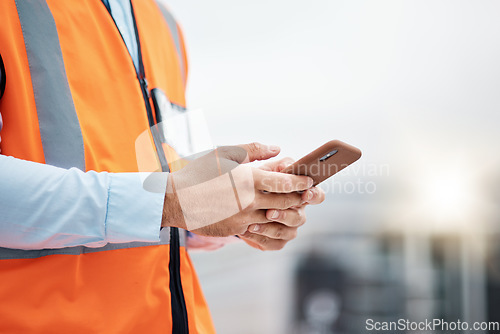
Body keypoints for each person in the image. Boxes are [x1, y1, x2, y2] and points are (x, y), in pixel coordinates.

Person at [0, 0, 325, 333]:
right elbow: (166, 199)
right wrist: (171, 202)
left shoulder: (163, 23)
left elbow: (174, 184)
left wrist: (244, 211)